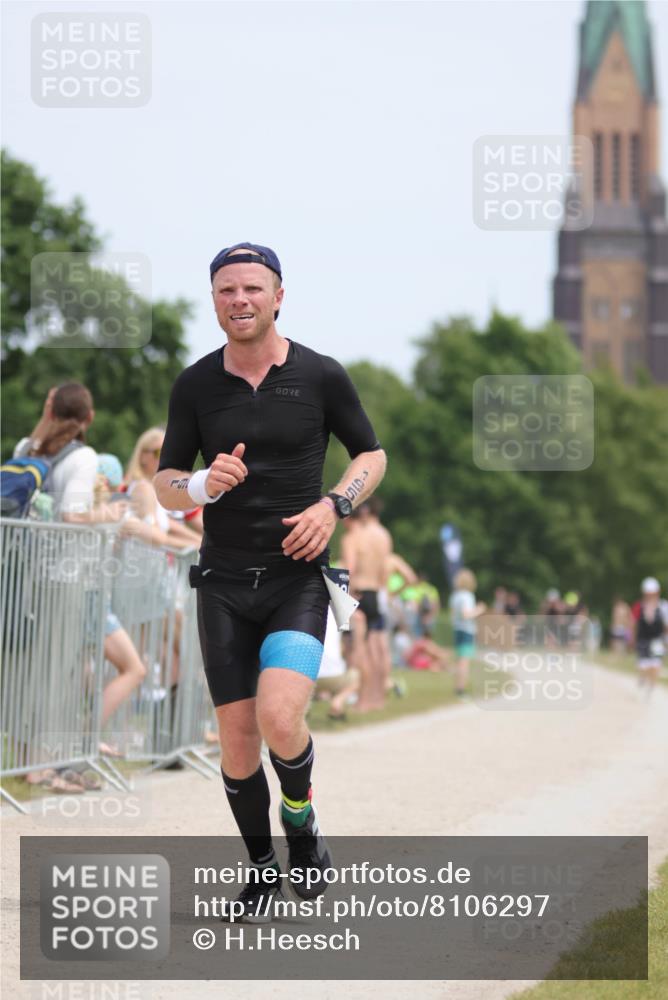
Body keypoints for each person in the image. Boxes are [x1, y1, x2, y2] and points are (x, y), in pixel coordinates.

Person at [153, 242, 386, 920]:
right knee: (235, 743)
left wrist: (333, 505)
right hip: (223, 583)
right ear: (215, 300)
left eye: (252, 288)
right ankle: (260, 870)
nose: (240, 301)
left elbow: (370, 452)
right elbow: (164, 482)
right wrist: (199, 481)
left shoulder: (320, 375)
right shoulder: (195, 386)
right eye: (226, 290)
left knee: (281, 718)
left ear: (279, 295)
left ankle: (302, 821)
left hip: (295, 580)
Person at [340, 500, 393, 711]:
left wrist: (345, 591)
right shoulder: (383, 535)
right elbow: (385, 567)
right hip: (375, 591)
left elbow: (350, 566)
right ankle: (377, 698)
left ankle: (362, 701)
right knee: (376, 651)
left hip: (359, 591)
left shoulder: (353, 537)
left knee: (359, 651)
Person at [449, 568, 486, 698]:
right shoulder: (467, 596)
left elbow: (453, 615)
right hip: (466, 631)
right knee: (464, 662)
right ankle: (460, 689)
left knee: (459, 660)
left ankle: (457, 686)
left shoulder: (455, 596)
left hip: (457, 629)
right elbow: (466, 614)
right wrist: (479, 610)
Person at [631, 577, 668, 699]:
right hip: (643, 640)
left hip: (657, 640)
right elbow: (634, 624)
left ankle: (650, 690)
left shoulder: (663, 606)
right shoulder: (639, 606)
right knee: (644, 665)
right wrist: (632, 638)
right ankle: (643, 681)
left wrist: (666, 640)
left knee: (656, 664)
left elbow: (665, 626)